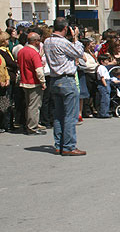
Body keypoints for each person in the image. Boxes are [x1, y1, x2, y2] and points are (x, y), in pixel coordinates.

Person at [43, 18, 86, 155]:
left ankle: (59, 144)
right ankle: (69, 146)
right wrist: (76, 38)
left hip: (54, 79)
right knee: (70, 115)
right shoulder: (62, 42)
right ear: (65, 28)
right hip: (67, 79)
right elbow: (79, 53)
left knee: (58, 114)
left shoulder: (47, 41)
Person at [17, 32, 46, 135]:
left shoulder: (21, 51)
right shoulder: (33, 53)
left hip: (24, 81)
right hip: (34, 82)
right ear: (35, 41)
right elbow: (38, 70)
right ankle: (32, 127)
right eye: (38, 40)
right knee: (34, 106)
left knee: (29, 105)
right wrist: (43, 81)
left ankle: (30, 123)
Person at [95, 54, 112, 118]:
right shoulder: (101, 67)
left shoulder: (104, 67)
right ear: (102, 61)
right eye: (106, 60)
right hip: (103, 83)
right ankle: (103, 113)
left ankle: (105, 112)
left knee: (107, 99)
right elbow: (102, 78)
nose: (108, 62)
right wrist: (105, 86)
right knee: (104, 99)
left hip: (107, 81)